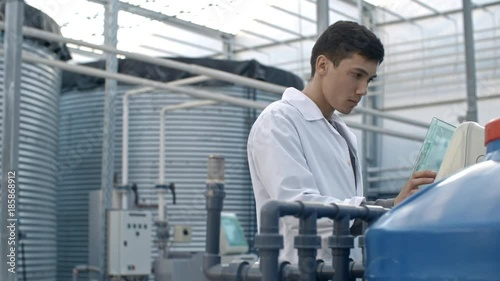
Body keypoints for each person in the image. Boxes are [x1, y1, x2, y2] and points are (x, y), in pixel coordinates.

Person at [246, 21, 436, 264]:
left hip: (338, 269)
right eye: (356, 75)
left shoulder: (344, 133)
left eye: (369, 79)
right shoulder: (278, 121)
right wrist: (378, 212)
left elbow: (346, 208)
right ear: (323, 65)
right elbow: (298, 210)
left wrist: (393, 205)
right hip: (295, 271)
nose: (363, 90)